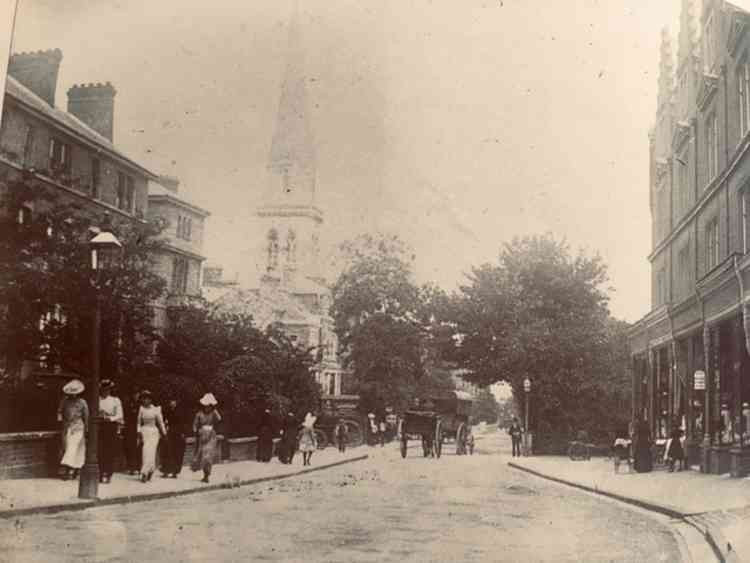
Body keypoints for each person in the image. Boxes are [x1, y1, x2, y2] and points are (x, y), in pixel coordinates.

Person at [58, 379, 89, 480]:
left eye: (75, 393)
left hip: (78, 427)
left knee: (73, 446)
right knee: (67, 447)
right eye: (71, 393)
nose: (73, 395)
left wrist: (86, 429)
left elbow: (86, 416)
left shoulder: (82, 402)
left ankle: (68, 469)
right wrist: (60, 420)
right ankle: (73, 469)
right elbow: (59, 412)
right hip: (67, 427)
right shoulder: (65, 401)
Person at [137, 390, 166, 483]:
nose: (146, 400)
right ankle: (147, 471)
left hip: (154, 432)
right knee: (145, 451)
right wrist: (138, 432)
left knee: (152, 452)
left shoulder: (156, 409)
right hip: (145, 431)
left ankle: (147, 472)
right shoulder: (141, 409)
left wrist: (164, 433)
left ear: (151, 399)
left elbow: (160, 422)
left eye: (148, 398)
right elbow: (138, 422)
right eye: (144, 398)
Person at [98, 379, 123, 484]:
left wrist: (111, 419)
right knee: (100, 450)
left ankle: (108, 473)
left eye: (107, 389)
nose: (105, 391)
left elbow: (120, 415)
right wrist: (100, 416)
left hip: (111, 427)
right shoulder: (97, 400)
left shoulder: (115, 400)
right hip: (100, 426)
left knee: (109, 451)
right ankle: (100, 472)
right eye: (104, 389)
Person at [192, 393, 221, 483]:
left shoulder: (213, 413)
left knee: (208, 456)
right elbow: (194, 424)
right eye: (205, 406)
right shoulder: (199, 414)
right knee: (202, 456)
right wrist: (196, 430)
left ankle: (207, 475)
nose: (207, 408)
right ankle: (204, 473)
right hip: (202, 436)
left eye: (209, 406)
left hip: (211, 436)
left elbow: (219, 419)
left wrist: (215, 411)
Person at [161, 398, 188, 478]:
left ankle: (175, 472)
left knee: (177, 453)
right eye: (171, 402)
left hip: (178, 434)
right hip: (170, 433)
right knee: (168, 451)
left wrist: (183, 433)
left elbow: (183, 423)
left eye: (173, 401)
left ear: (176, 402)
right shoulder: (167, 411)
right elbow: (164, 421)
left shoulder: (181, 412)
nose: (172, 403)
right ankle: (166, 471)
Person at [123, 391, 142, 475]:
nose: (136, 396)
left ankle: (138, 467)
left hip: (138, 428)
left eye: (137, 394)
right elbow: (126, 416)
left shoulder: (141, 405)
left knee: (138, 448)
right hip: (130, 428)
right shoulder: (128, 404)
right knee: (130, 447)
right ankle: (131, 467)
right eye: (134, 394)